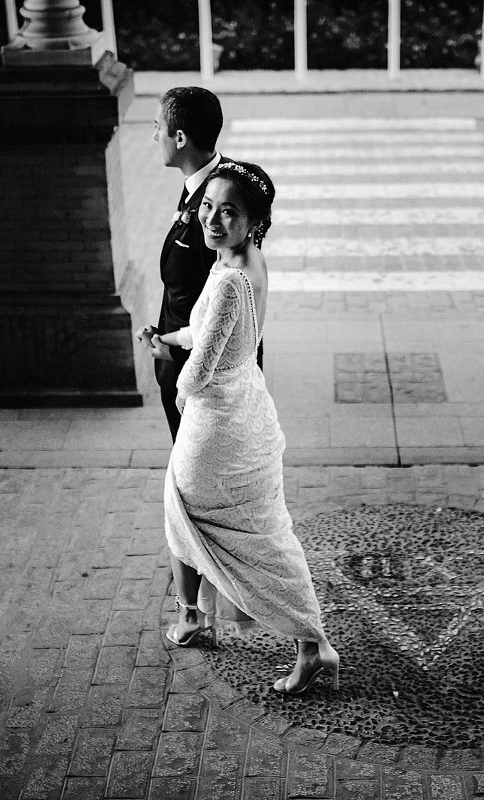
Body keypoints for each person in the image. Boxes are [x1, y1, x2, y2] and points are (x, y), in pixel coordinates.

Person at [156, 160, 339, 695]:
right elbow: (208, 332)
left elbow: (205, 363)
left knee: (190, 516)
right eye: (207, 207)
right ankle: (310, 643)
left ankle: (199, 617)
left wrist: (177, 390)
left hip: (217, 423)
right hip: (247, 409)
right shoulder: (245, 263)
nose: (212, 219)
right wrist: (169, 338)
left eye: (228, 212)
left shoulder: (231, 279)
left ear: (253, 220)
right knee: (262, 532)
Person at [138, 86, 261, 442]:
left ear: (179, 137)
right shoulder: (204, 186)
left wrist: (177, 358)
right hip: (178, 355)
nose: (153, 135)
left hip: (197, 386)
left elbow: (233, 308)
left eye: (157, 126)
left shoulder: (219, 204)